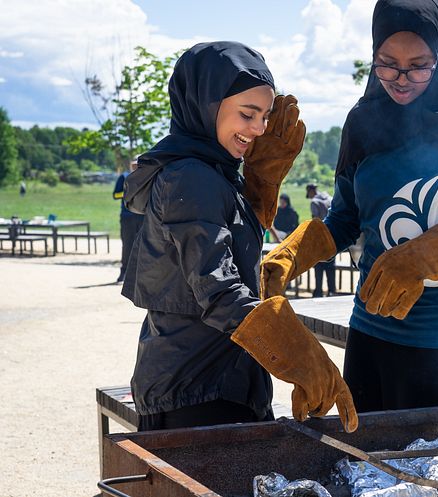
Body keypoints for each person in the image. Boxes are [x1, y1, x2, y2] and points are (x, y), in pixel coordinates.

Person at [261, 0, 438, 413]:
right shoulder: (363, 124)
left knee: (433, 465)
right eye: (386, 63)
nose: (401, 79)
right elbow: (345, 220)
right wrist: (292, 254)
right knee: (363, 466)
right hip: (370, 328)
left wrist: (424, 256)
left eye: (419, 65)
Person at [121, 41, 357, 432]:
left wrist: (259, 184)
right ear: (206, 105)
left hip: (219, 380)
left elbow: (231, 245)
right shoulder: (190, 175)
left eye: (264, 116)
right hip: (195, 392)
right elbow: (219, 290)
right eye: (247, 114)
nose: (260, 130)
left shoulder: (214, 172)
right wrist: (299, 353)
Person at [113, 158, 144, 283]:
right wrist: (127, 192)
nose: (136, 167)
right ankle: (124, 272)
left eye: (138, 164)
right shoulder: (124, 177)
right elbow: (115, 195)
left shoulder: (147, 176)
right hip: (127, 216)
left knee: (144, 245)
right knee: (127, 245)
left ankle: (141, 274)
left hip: (143, 215)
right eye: (134, 165)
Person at [306, 183, 336, 297]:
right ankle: (332, 291)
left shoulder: (314, 202)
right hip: (333, 236)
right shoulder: (329, 197)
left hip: (320, 237)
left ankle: (318, 291)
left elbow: (316, 220)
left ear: (310, 191)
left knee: (318, 266)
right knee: (331, 265)